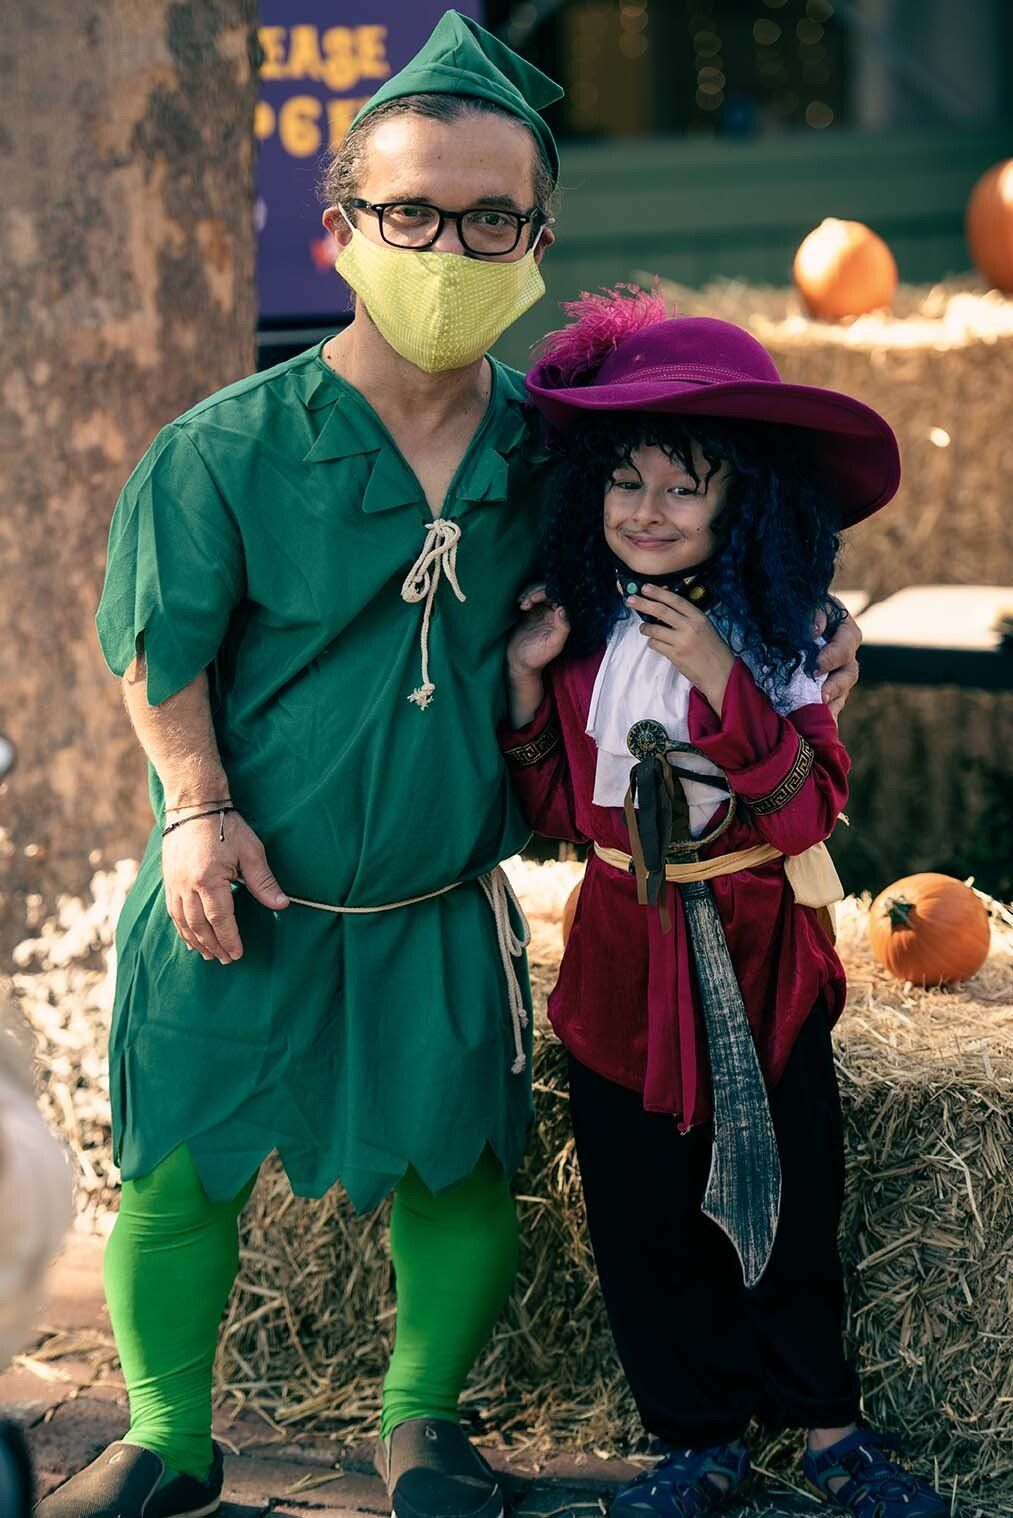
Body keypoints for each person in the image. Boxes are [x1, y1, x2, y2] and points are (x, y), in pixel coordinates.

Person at [39, 14, 862, 1517]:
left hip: (433, 892)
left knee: (456, 1168)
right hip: (250, 877)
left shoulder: (561, 454)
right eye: (412, 212)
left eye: (491, 218)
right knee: (181, 1163)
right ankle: (164, 1434)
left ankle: (421, 1424)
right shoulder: (221, 450)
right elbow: (156, 647)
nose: (448, 245)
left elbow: (707, 522)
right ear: (342, 226)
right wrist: (196, 807)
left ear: (537, 240)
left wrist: (808, 622)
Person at [500, 288, 943, 1518]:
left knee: (787, 1198)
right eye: (624, 480)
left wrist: (719, 679)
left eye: (681, 488)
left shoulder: (783, 641)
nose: (646, 509)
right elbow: (561, 812)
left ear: (741, 500)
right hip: (618, 960)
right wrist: (527, 695)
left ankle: (828, 1431)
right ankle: (693, 1439)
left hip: (758, 957)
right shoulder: (580, 637)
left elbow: (806, 811)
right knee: (641, 1209)